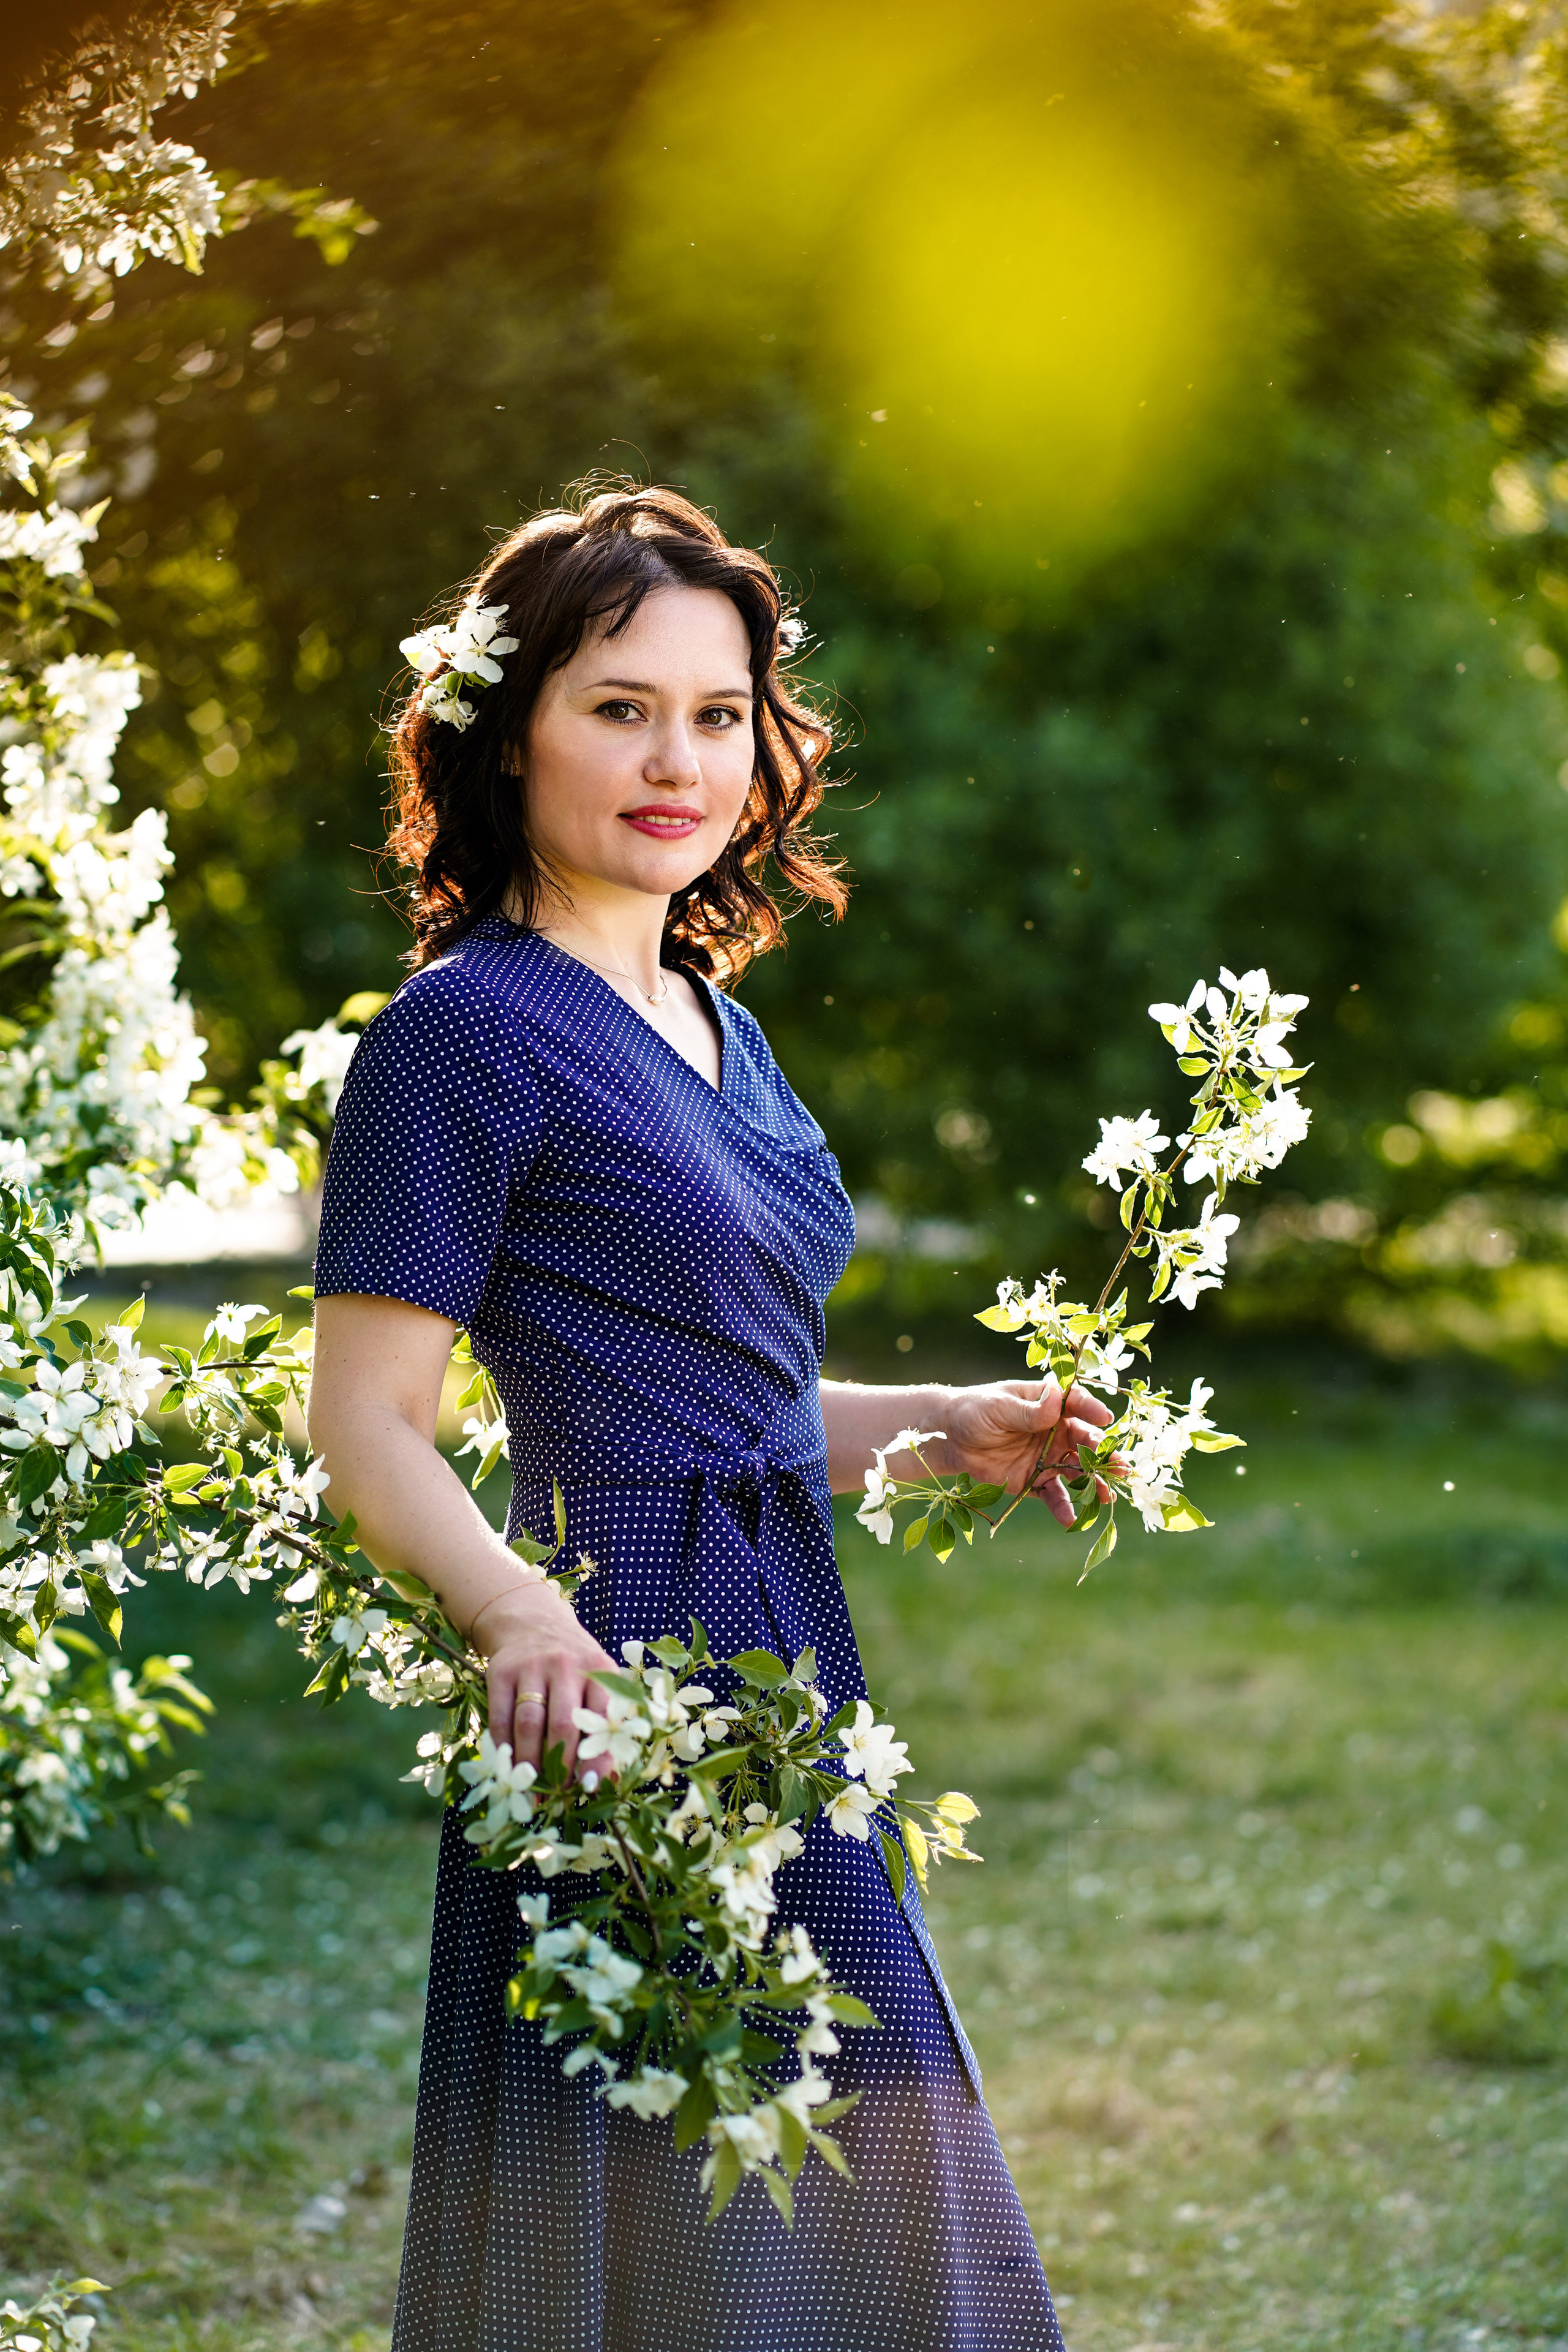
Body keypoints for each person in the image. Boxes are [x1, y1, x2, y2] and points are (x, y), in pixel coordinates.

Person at [307, 482, 1109, 2352]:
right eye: (620, 706)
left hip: (786, 1664)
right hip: (615, 1678)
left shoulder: (707, 1017)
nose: (681, 758)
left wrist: (939, 1420)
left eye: (721, 713)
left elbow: (718, 1399)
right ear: (507, 732)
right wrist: (516, 1609)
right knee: (684, 2205)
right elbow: (368, 1418)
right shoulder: (463, 1033)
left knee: (839, 2172)